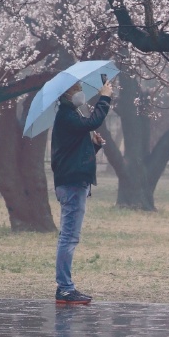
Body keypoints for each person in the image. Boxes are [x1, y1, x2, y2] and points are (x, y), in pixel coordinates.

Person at [51, 78, 113, 305]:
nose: (80, 92)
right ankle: (65, 288)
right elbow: (93, 122)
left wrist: (94, 146)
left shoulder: (70, 115)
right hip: (72, 185)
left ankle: (65, 287)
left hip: (73, 182)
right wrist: (105, 96)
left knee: (69, 237)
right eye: (75, 89)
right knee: (68, 237)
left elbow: (72, 153)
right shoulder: (67, 115)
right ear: (66, 94)